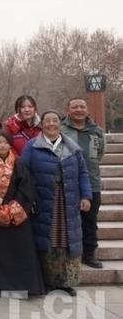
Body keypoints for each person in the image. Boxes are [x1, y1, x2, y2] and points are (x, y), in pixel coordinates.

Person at [22, 111, 92, 296]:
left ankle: (66, 282)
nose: (51, 124)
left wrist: (86, 196)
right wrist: (29, 199)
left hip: (68, 199)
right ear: (41, 124)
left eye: (54, 120)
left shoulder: (72, 147)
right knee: (49, 241)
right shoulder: (32, 146)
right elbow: (24, 175)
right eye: (47, 121)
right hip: (44, 200)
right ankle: (47, 282)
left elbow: (83, 174)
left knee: (67, 241)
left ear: (60, 124)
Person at [0, 130, 45, 297]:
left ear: (10, 144)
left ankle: (22, 284)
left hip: (17, 215)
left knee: (20, 250)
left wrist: (13, 209)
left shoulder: (19, 163)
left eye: (5, 142)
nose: (2, 145)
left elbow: (26, 188)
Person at [62, 98, 106, 269]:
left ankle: (89, 253)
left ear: (87, 110)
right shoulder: (61, 130)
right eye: (75, 107)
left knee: (90, 221)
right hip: (68, 182)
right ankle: (70, 254)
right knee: (68, 220)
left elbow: (100, 154)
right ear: (68, 109)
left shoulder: (97, 131)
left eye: (82, 107)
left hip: (92, 182)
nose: (78, 110)